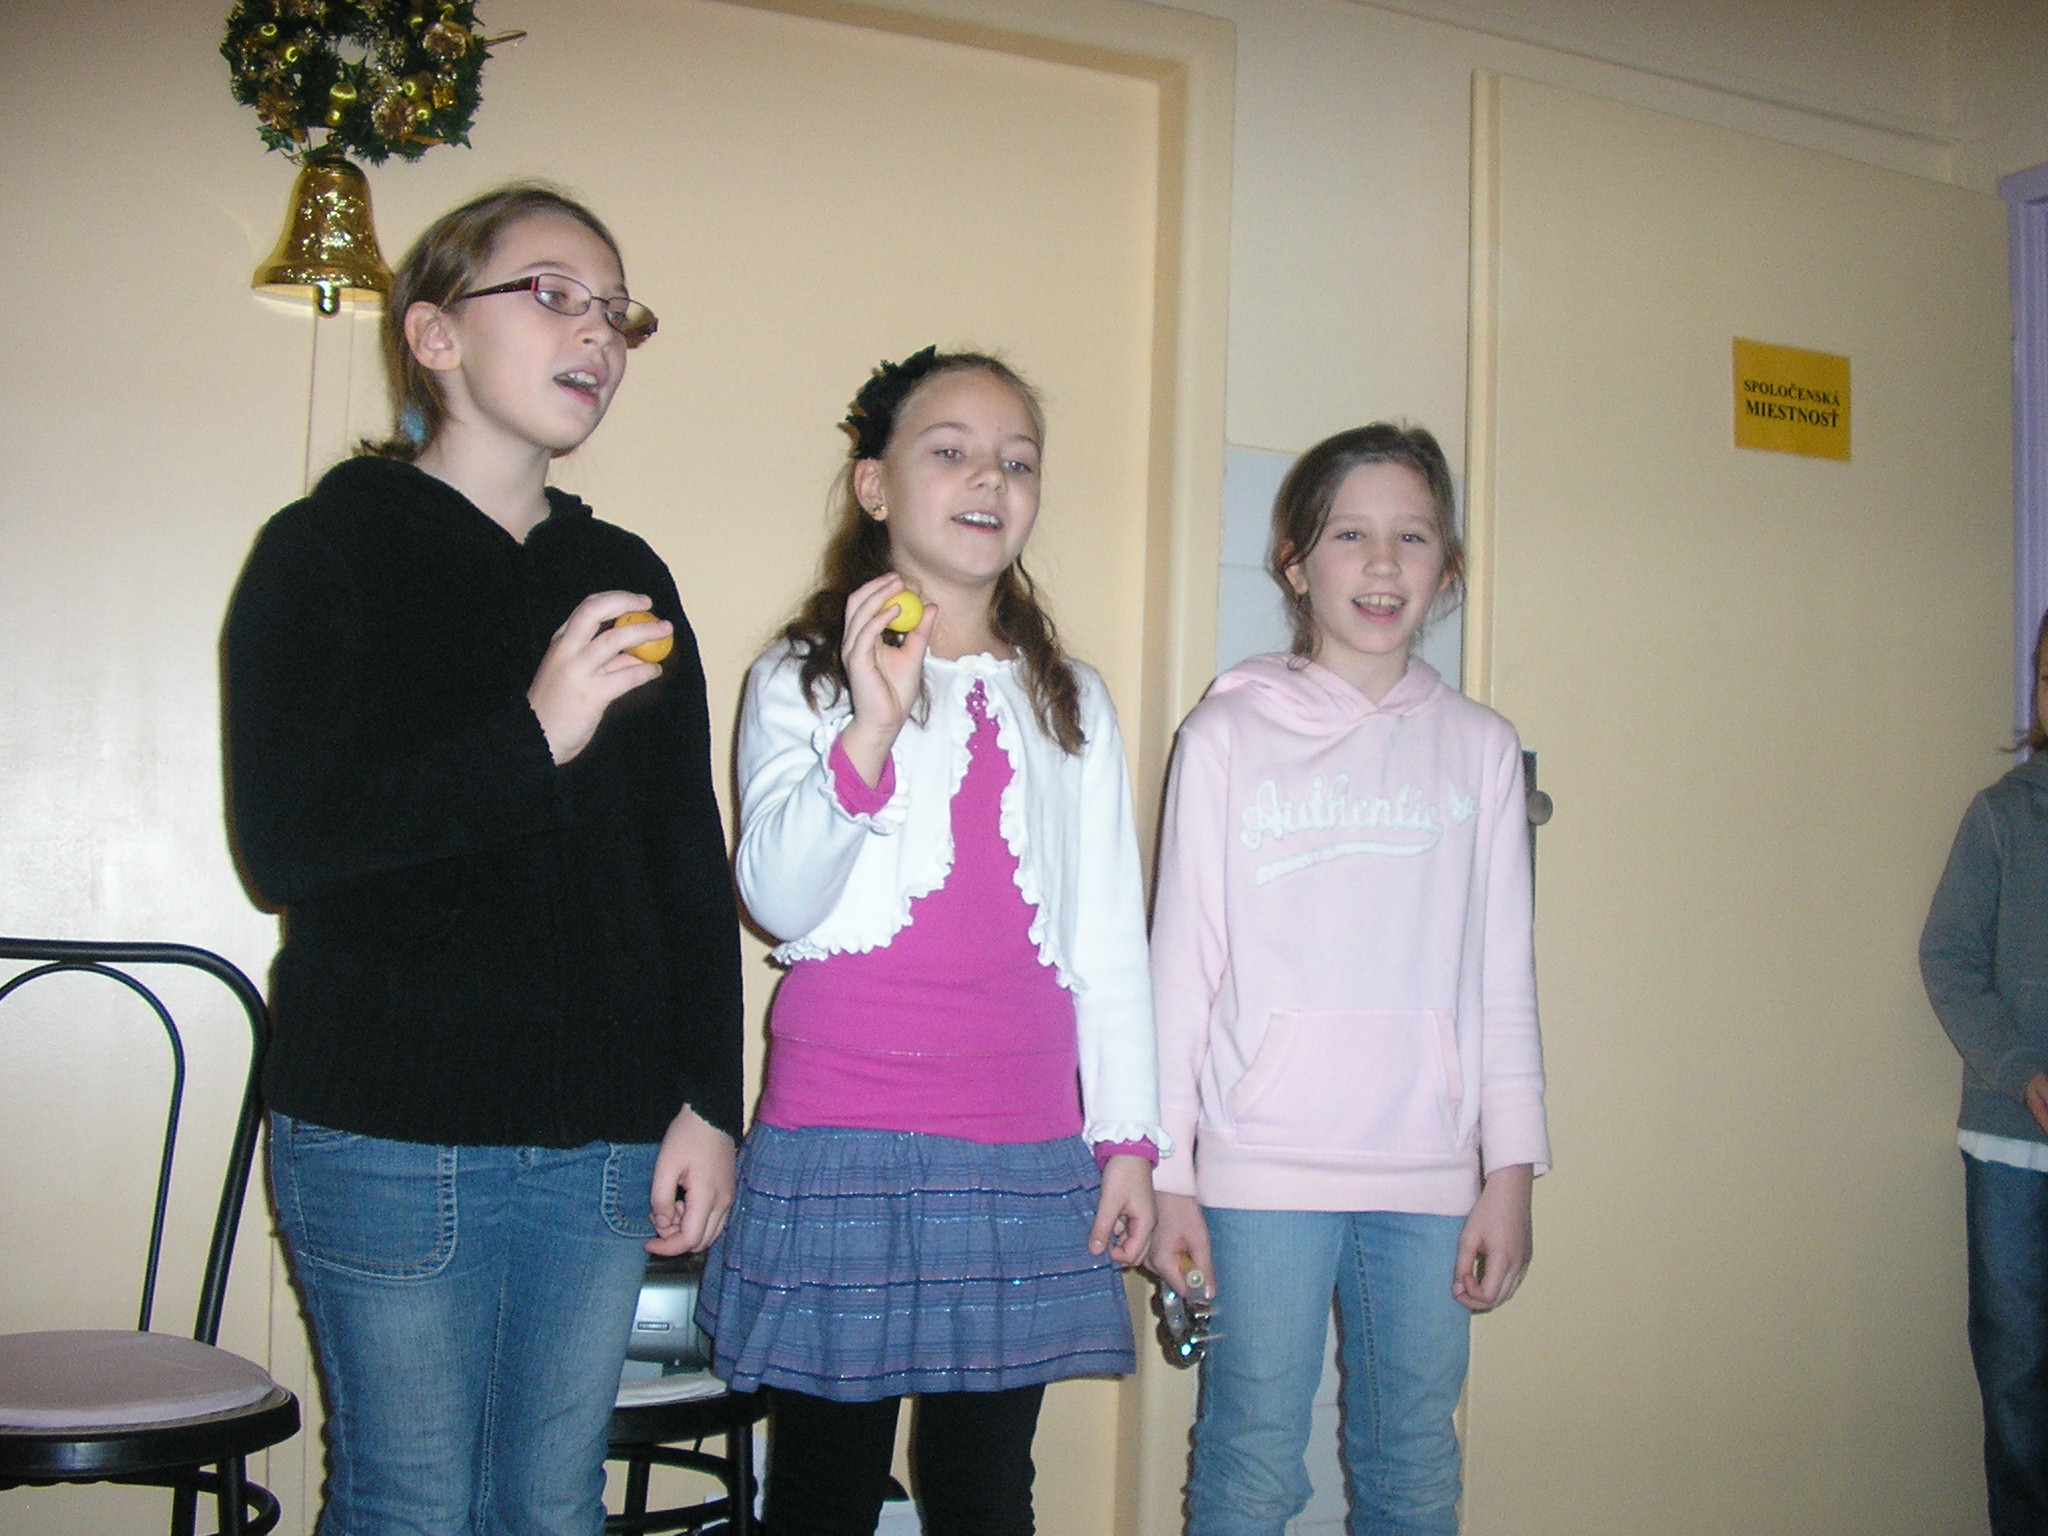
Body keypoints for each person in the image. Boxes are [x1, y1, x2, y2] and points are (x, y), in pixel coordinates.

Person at [225, 183, 744, 1536]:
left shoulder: (625, 572)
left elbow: (684, 857)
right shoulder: (325, 550)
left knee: (550, 1505)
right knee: (411, 1504)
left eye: (617, 311)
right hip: (391, 1131)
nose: (600, 333)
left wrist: (710, 1099)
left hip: (603, 1138)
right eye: (555, 295)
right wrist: (533, 736)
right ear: (435, 334)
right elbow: (288, 845)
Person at [696, 346, 1163, 1536]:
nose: (988, 478)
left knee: (981, 1489)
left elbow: (1109, 939)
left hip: (1020, 1142)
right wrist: (872, 726)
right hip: (841, 1131)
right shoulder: (799, 678)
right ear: (874, 485)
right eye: (949, 450)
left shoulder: (1071, 699)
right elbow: (776, 898)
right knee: (821, 1491)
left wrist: (1125, 1141)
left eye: (1017, 460)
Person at [1147, 423, 1550, 1536]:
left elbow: (1504, 976)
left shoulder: (1480, 747)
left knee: (1413, 1467)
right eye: (1349, 535)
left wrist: (1510, 1171)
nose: (1381, 563)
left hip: (1431, 1170)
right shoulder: (1224, 735)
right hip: (1257, 1168)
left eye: (1411, 537)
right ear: (1295, 565)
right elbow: (1179, 971)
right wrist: (1168, 1173)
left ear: (1445, 567)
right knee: (1248, 1466)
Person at [1919, 608, 2048, 1536]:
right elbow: (1949, 958)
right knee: (2016, 1380)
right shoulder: (2004, 815)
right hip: (2011, 1152)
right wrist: (2020, 1069)